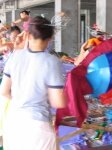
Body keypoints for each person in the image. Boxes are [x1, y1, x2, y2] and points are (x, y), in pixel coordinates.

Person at [0, 16, 66, 150]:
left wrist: (22, 98)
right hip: (37, 129)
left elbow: (4, 91)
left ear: (28, 34)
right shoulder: (51, 61)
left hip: (13, 124)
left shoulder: (15, 56)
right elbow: (58, 102)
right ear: (50, 38)